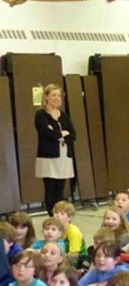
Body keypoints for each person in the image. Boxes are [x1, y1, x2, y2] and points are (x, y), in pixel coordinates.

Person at [34, 84, 76, 216]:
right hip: (48, 157)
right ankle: (52, 216)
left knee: (60, 190)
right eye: (53, 95)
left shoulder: (63, 115)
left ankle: (59, 215)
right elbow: (48, 133)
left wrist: (59, 134)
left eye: (58, 95)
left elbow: (73, 135)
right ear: (46, 97)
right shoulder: (41, 115)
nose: (57, 98)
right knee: (50, 188)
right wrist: (61, 133)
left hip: (64, 157)